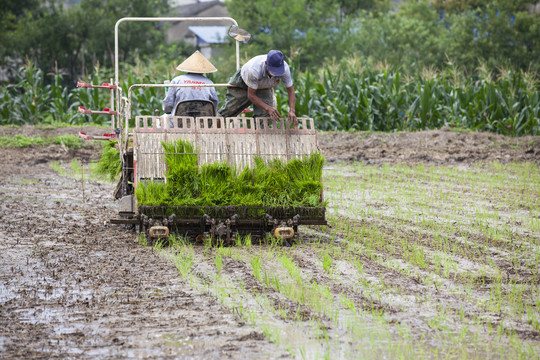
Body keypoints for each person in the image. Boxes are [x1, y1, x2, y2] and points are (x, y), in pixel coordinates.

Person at [218, 50, 296, 124]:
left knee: (264, 116)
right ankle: (211, 131)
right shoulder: (254, 69)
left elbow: (290, 91)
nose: (275, 74)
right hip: (243, 82)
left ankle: (259, 136)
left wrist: (292, 110)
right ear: (266, 64)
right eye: (273, 71)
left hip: (264, 86)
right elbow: (251, 95)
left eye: (277, 71)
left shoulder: (285, 69)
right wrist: (268, 108)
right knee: (229, 110)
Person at [163, 50, 219, 115]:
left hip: (179, 121)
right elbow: (214, 104)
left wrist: (167, 111)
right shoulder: (209, 83)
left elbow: (168, 104)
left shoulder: (177, 80)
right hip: (203, 121)